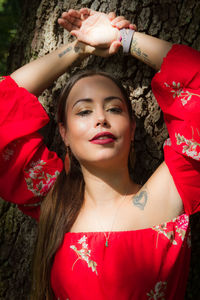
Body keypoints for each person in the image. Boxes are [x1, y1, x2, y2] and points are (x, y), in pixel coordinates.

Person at [0, 8, 200, 300]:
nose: (101, 119)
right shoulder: (54, 204)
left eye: (114, 108)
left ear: (132, 128)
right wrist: (80, 47)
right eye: (83, 111)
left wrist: (124, 39)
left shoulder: (168, 195)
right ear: (64, 134)